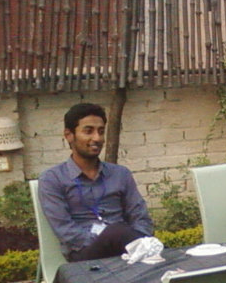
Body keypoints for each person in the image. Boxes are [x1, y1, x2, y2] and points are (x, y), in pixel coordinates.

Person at [38, 102, 154, 263]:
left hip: (128, 249)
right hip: (86, 254)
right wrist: (107, 238)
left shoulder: (120, 174)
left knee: (120, 233)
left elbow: (140, 216)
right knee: (117, 231)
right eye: (88, 131)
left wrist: (135, 241)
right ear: (69, 135)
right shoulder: (52, 179)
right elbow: (65, 230)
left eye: (101, 131)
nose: (97, 138)